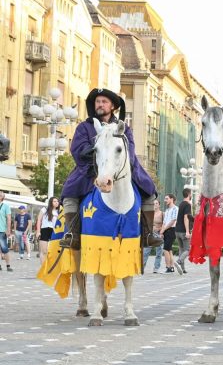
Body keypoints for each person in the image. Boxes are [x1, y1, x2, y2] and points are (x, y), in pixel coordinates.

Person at [59, 88, 162, 251]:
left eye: (104, 102)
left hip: (120, 169)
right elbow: (77, 148)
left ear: (112, 106)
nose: (100, 105)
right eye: (97, 102)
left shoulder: (124, 128)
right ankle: (72, 234)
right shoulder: (85, 127)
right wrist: (93, 151)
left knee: (149, 191)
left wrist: (124, 165)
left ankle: (148, 233)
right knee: (69, 193)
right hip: (90, 169)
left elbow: (131, 149)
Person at [143, 200, 165, 274]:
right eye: (153, 203)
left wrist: (161, 232)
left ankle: (156, 268)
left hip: (158, 233)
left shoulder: (162, 214)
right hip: (150, 233)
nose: (155, 205)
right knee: (146, 251)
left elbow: (164, 223)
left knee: (159, 252)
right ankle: (142, 267)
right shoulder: (150, 213)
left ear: (159, 205)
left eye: (156, 203)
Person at [160, 194, 180, 274]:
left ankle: (168, 267)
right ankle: (171, 267)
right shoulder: (167, 210)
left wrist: (164, 229)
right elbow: (164, 222)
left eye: (166, 199)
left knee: (165, 249)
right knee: (169, 250)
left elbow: (173, 221)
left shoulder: (175, 208)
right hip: (165, 230)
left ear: (172, 199)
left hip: (171, 230)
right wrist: (162, 231)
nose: (165, 200)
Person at [36, 197, 60, 263]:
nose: (56, 202)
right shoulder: (44, 209)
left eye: (57, 201)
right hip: (45, 230)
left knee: (53, 251)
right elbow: (39, 220)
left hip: (54, 231)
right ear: (51, 202)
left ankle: (50, 267)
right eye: (54, 201)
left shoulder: (58, 212)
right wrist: (38, 231)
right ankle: (43, 268)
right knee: (44, 251)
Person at [175, 189, 193, 273]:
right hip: (183, 231)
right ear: (189, 194)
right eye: (191, 194)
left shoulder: (181, 204)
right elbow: (186, 218)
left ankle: (182, 269)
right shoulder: (187, 205)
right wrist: (187, 231)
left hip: (177, 230)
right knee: (188, 250)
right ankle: (179, 261)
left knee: (181, 249)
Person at [0, 191, 12, 271]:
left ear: (2, 197)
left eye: (0, 195)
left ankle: (8, 265)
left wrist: (8, 230)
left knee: (4, 248)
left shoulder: (6, 206)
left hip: (2, 230)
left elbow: (9, 219)